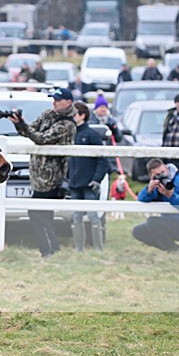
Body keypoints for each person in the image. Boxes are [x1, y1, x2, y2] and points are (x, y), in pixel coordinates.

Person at [8, 87, 76, 257]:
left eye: (58, 100)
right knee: (41, 213)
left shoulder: (67, 125)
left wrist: (23, 126)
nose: (54, 102)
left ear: (68, 102)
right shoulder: (47, 114)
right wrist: (19, 123)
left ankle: (48, 249)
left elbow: (41, 139)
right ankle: (51, 248)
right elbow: (30, 130)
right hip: (37, 174)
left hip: (52, 177)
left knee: (38, 213)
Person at [132, 158, 179, 255]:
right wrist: (149, 189)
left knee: (152, 221)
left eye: (163, 172)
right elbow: (141, 199)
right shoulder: (158, 184)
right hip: (169, 224)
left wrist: (171, 196)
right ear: (151, 176)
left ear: (167, 168)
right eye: (158, 175)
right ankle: (177, 249)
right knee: (138, 231)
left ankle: (173, 251)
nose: (162, 176)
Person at [69, 102, 108, 252]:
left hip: (89, 184)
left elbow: (103, 160)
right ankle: (79, 248)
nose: (72, 117)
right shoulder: (71, 134)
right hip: (75, 183)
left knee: (93, 216)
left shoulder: (92, 135)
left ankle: (98, 248)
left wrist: (96, 179)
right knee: (76, 217)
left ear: (82, 116)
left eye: (74, 113)